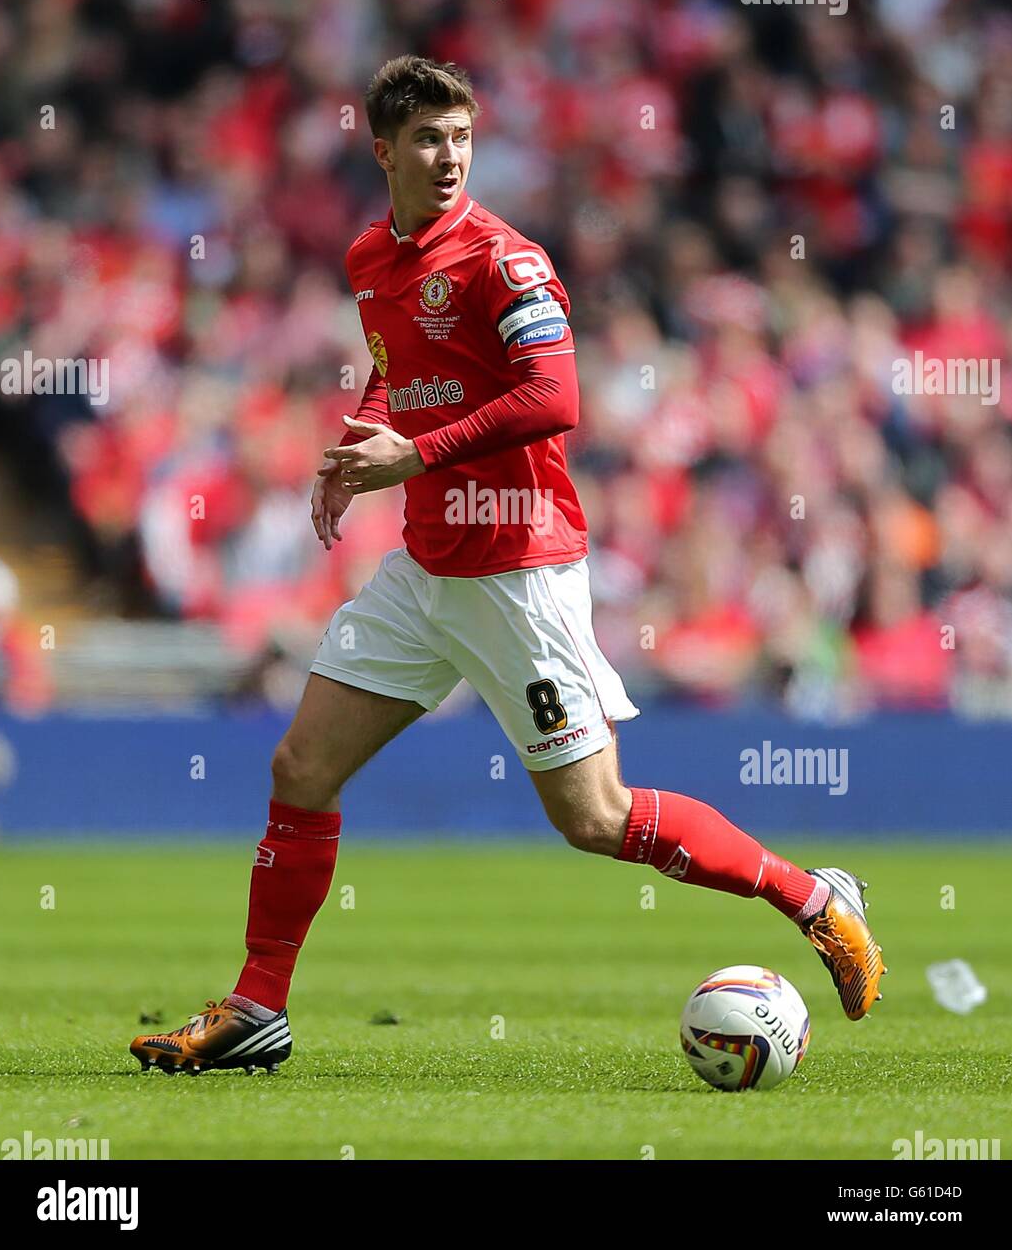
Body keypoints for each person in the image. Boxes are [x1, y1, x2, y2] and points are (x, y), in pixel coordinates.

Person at [130, 57, 885, 1075]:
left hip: (518, 567)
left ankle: (808, 895)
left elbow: (552, 398)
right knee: (299, 767)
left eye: (461, 138)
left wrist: (417, 454)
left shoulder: (505, 261)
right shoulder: (368, 257)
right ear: (384, 149)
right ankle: (257, 1006)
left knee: (595, 817)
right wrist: (361, 441)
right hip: (426, 566)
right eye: (428, 140)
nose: (447, 158)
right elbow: (401, 370)